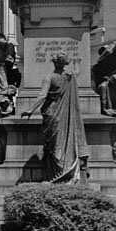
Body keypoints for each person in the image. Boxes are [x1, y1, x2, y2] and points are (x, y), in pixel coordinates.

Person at [21, 51, 89, 182]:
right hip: (58, 114)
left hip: (52, 113)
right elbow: (76, 73)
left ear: (54, 62)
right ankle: (62, 172)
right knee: (60, 143)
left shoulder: (50, 77)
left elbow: (42, 96)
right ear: (64, 64)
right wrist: (77, 64)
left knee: (55, 144)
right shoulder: (69, 77)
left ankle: (58, 174)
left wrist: (30, 109)